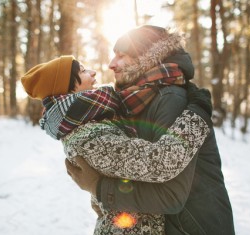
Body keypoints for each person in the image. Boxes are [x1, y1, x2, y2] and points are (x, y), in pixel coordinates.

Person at [66, 25, 235, 234]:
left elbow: (170, 196)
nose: (111, 64)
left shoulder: (171, 98)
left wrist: (99, 188)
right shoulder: (137, 99)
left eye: (122, 55)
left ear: (147, 58)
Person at [21, 55, 212, 234]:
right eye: (83, 71)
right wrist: (199, 111)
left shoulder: (87, 124)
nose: (93, 72)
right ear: (67, 88)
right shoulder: (90, 137)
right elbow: (161, 161)